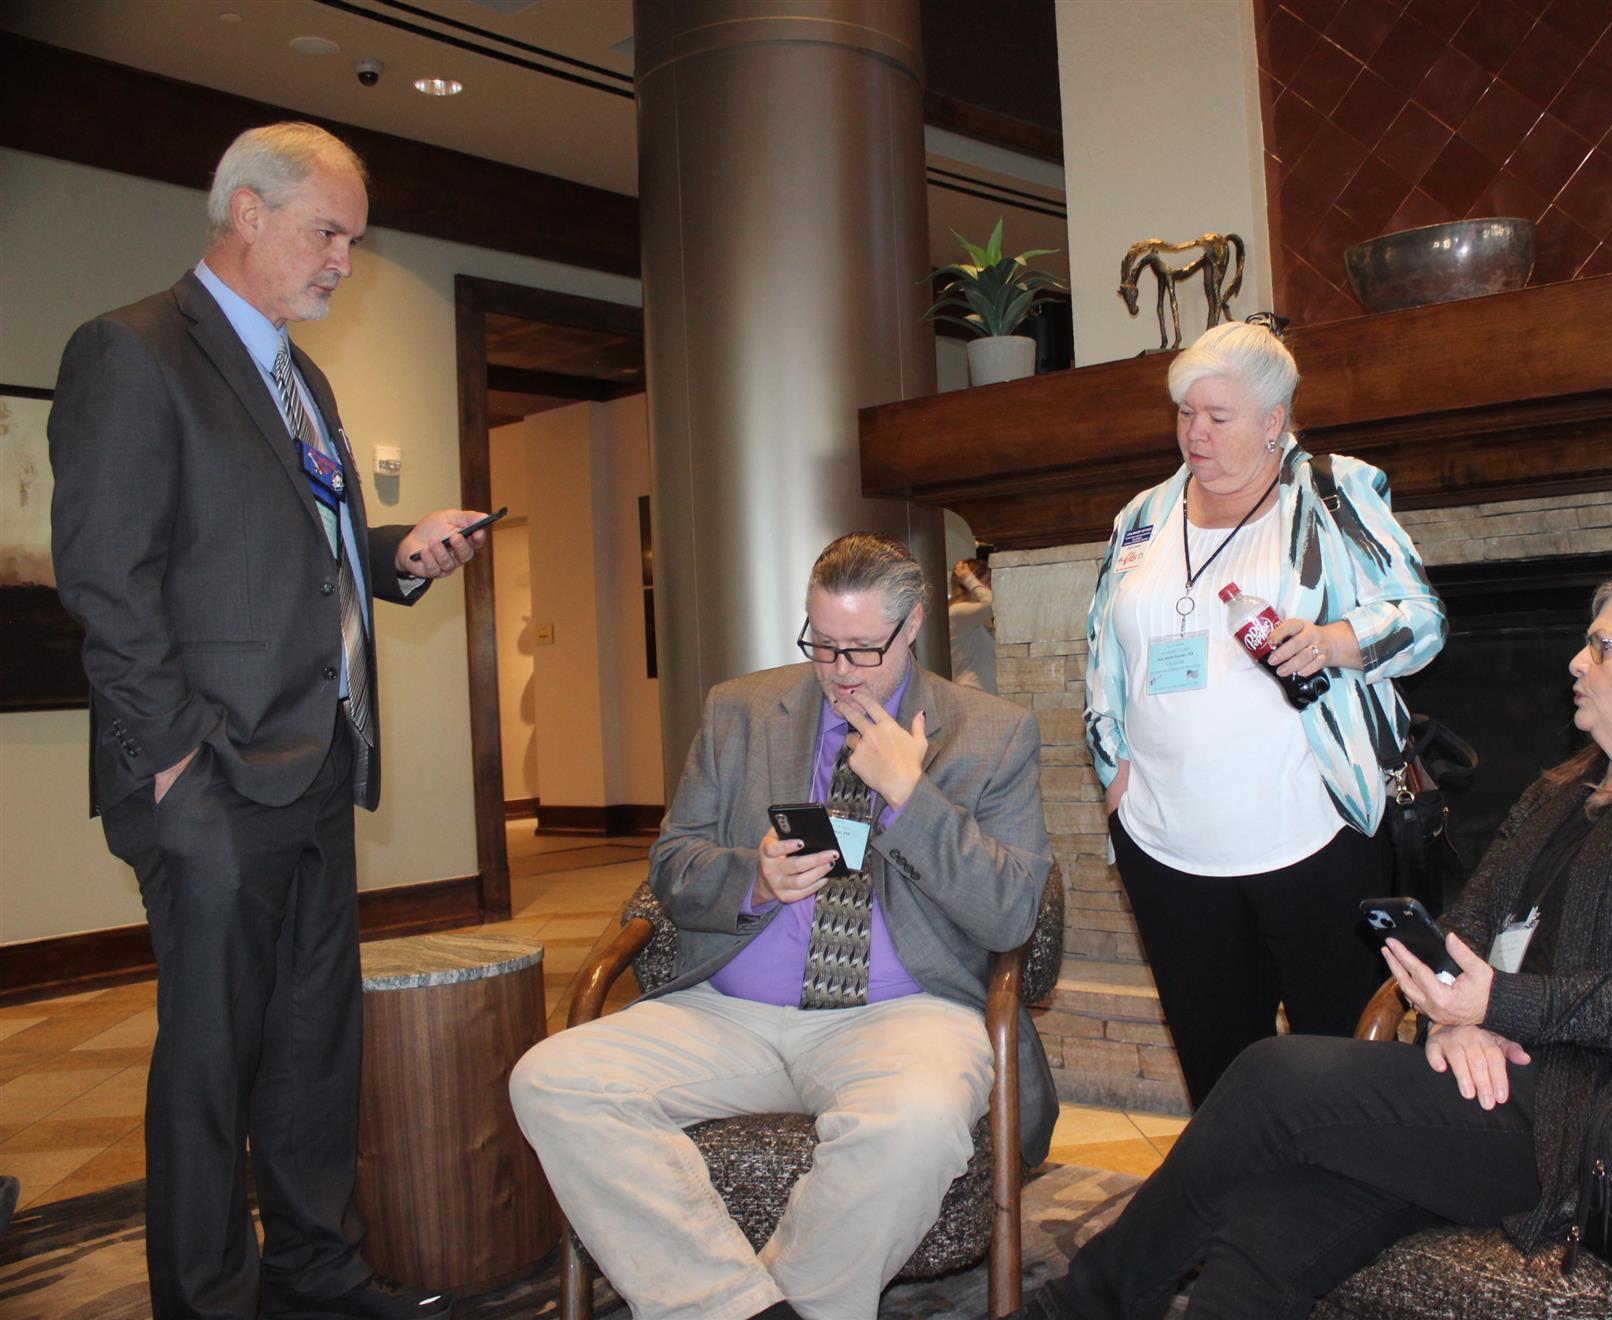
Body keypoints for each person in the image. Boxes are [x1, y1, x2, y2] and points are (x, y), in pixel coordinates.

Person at [1028, 561, 1612, 1319]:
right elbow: (1468, 926)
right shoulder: (1563, 791)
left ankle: (1079, 1307)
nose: (1576, 662)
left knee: (1273, 1075)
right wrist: (1455, 1020)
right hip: (1500, 1085)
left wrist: (1499, 1005)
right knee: (1271, 1220)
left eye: (1604, 647)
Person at [47, 123, 490, 1320]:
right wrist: (175, 764)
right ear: (247, 213)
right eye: (328, 234)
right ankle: (207, 1300)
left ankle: (319, 1276)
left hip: (316, 763)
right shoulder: (133, 352)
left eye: (353, 239)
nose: (345, 261)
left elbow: (294, 555)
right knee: (212, 1061)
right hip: (210, 778)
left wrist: (395, 554)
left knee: (310, 1049)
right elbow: (107, 581)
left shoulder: (303, 381)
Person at [509, 532, 1055, 1320]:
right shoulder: (740, 711)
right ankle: (735, 1307)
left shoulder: (991, 731)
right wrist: (754, 879)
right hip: (727, 1014)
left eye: (862, 650)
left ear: (912, 627)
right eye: (821, 645)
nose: (839, 671)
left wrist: (910, 798)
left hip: (902, 1015)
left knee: (917, 1119)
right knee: (552, 1079)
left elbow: (1012, 910)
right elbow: (673, 866)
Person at [1083, 321, 1446, 1107]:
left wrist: (1332, 641)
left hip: (1315, 831)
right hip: (1166, 841)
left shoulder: (1334, 493)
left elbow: (1421, 619)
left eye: (1219, 417)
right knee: (1218, 1074)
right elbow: (1102, 652)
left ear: (1274, 420)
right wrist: (1115, 772)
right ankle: (1234, 1186)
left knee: (1340, 1069)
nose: (1195, 434)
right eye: (1186, 413)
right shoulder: (1143, 515)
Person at [948, 552, 997, 693]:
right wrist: (970, 579)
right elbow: (994, 604)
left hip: (984, 694)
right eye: (987, 580)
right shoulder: (957, 612)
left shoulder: (977, 616)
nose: (991, 586)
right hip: (972, 691)